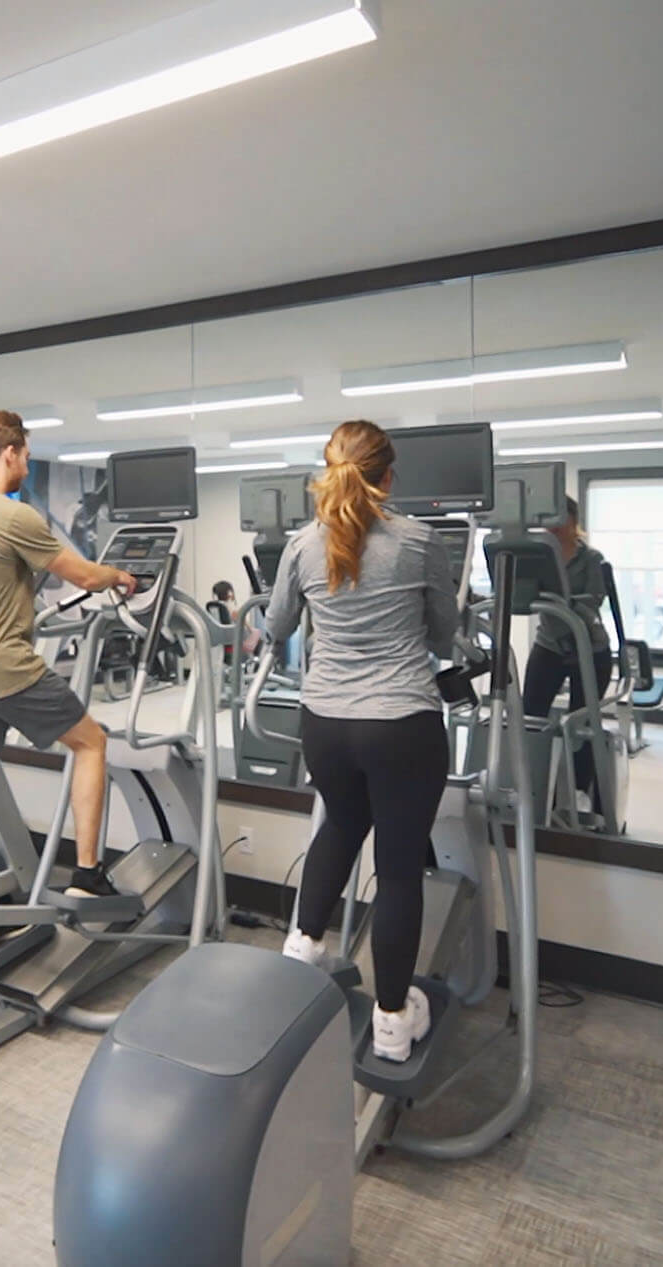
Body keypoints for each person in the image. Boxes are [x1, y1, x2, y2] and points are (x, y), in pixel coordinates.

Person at [266, 420, 458, 1062]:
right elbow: (440, 637)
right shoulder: (420, 541)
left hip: (325, 724)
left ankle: (299, 960)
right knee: (399, 868)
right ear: (388, 475)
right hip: (400, 723)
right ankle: (394, 1023)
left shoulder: (301, 544)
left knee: (341, 828)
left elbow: (278, 625)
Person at [0, 410, 138, 953]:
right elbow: (85, 576)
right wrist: (122, 577)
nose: (27, 464)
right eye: (27, 454)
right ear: (10, 452)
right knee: (91, 743)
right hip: (8, 668)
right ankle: (87, 873)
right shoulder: (12, 515)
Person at [520, 495, 613, 819]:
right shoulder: (539, 555)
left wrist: (562, 601)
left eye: (560, 519)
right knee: (529, 714)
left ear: (574, 520)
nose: (554, 526)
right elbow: (526, 594)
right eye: (549, 519)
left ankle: (579, 794)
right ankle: (528, 782)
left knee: (582, 723)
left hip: (590, 648)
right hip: (549, 646)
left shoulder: (591, 559)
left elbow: (592, 603)